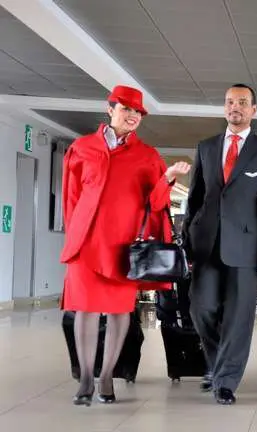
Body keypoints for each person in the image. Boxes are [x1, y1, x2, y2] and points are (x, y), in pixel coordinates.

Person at [60, 85, 191, 406]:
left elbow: (157, 202)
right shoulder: (81, 148)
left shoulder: (147, 156)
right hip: (88, 244)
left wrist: (168, 177)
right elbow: (71, 198)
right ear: (110, 110)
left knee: (120, 312)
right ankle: (86, 379)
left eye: (138, 113)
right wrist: (74, 236)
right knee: (86, 311)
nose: (132, 116)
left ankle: (107, 377)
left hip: (123, 246)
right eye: (126, 109)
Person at [183, 84, 257, 405]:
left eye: (242, 102)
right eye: (229, 102)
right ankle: (218, 363)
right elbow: (194, 199)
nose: (234, 107)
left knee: (239, 317)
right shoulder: (206, 147)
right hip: (205, 243)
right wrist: (186, 245)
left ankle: (225, 380)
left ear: (254, 109)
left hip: (246, 247)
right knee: (201, 309)